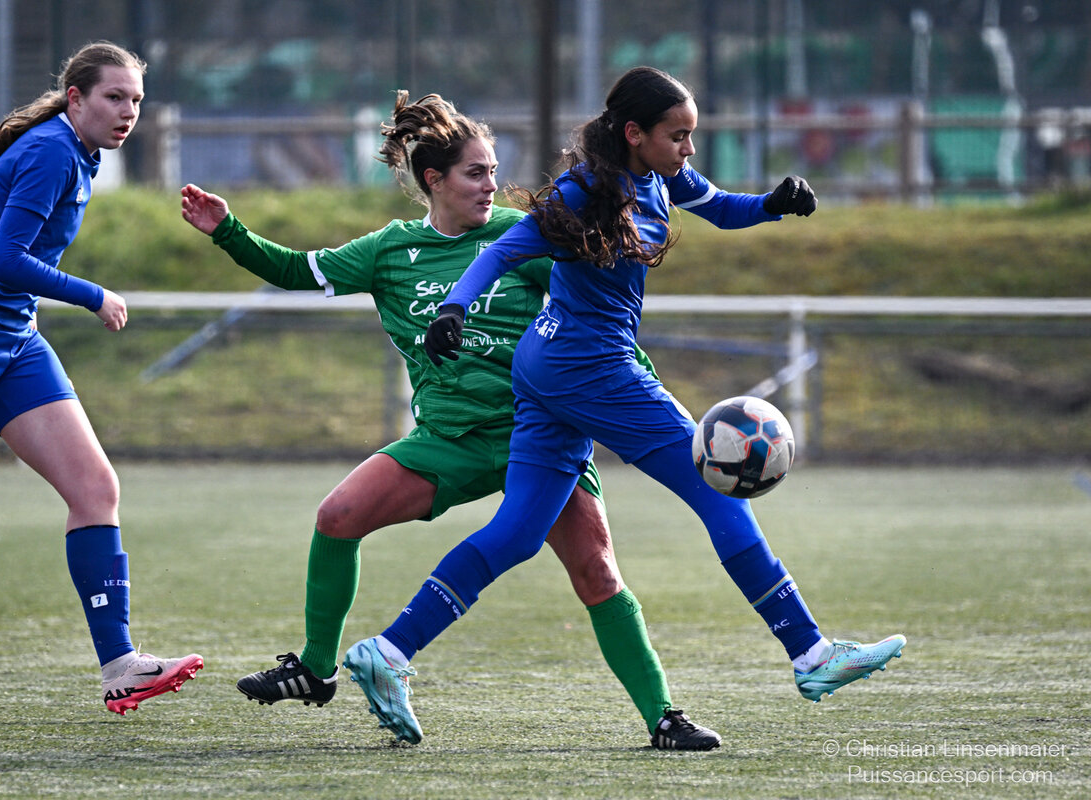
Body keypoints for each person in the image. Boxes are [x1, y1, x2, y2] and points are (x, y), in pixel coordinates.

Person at [344, 66, 907, 746]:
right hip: (591, 368)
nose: (688, 149)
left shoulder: (663, 176)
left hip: (551, 367)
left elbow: (721, 207)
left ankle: (390, 649)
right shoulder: (583, 191)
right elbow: (505, 250)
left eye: (692, 135)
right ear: (635, 133)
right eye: (678, 135)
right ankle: (810, 652)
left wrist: (772, 203)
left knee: (519, 532)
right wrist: (455, 307)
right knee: (717, 492)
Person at [180, 90, 716, 750]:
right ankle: (317, 671)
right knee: (337, 516)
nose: (491, 184)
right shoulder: (389, 250)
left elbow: (597, 325)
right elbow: (295, 270)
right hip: (449, 439)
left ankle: (663, 717)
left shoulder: (525, 236)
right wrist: (227, 230)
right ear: (434, 179)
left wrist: (646, 394)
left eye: (494, 171)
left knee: (597, 573)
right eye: (475, 172)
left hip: (538, 433)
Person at [0, 42, 203, 716]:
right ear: (76, 98)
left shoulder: (81, 153)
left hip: (13, 339)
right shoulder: (52, 151)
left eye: (136, 100)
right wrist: (95, 295)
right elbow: (3, 261)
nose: (128, 112)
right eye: (114, 97)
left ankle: (120, 664)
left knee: (95, 488)